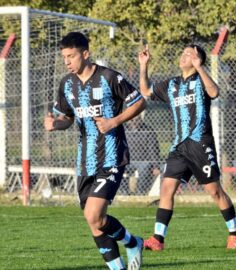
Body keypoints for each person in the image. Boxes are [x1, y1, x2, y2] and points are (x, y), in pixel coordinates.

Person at [44, 32, 145, 270]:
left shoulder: (109, 77)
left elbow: (140, 101)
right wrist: (56, 124)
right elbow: (68, 118)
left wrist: (114, 121)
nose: (67, 62)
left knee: (93, 214)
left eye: (71, 56)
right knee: (94, 222)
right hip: (84, 162)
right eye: (64, 57)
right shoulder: (67, 84)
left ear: (85, 54)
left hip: (111, 156)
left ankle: (133, 243)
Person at [138, 44, 236, 250]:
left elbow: (214, 92)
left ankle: (235, 233)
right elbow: (145, 91)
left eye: (190, 54)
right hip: (178, 146)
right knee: (166, 189)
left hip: (200, 144)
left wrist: (200, 68)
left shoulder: (200, 80)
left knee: (214, 191)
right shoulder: (172, 85)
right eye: (184, 53)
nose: (184, 56)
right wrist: (144, 66)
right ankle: (158, 239)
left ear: (199, 60)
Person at [124, 112, 161, 195]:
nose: (133, 121)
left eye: (136, 119)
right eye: (131, 119)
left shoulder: (148, 130)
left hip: (143, 160)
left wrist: (155, 166)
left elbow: (153, 150)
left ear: (140, 119)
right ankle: (124, 193)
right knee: (117, 168)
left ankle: (140, 192)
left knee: (145, 167)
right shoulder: (123, 130)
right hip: (127, 160)